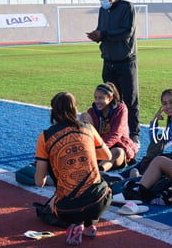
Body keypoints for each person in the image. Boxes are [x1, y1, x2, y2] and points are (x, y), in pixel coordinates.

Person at [34, 92, 112, 246]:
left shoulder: (45, 137)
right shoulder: (88, 128)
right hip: (99, 201)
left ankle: (75, 224)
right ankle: (90, 225)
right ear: (75, 109)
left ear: (52, 112)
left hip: (67, 209)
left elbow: (39, 182)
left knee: (53, 203)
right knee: (94, 186)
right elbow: (107, 155)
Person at [86, 0, 140, 146]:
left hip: (126, 62)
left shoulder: (127, 7)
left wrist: (103, 35)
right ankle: (112, 132)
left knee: (130, 100)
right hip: (108, 62)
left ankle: (134, 135)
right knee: (110, 101)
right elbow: (103, 32)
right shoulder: (103, 10)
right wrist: (96, 36)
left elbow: (126, 32)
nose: (101, 1)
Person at [80, 82, 138, 172]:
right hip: (97, 150)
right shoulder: (92, 111)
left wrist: (100, 149)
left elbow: (116, 134)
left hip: (114, 148)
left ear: (110, 98)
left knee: (117, 152)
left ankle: (99, 172)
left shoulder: (121, 109)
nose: (97, 101)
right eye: (96, 98)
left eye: (101, 98)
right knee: (84, 116)